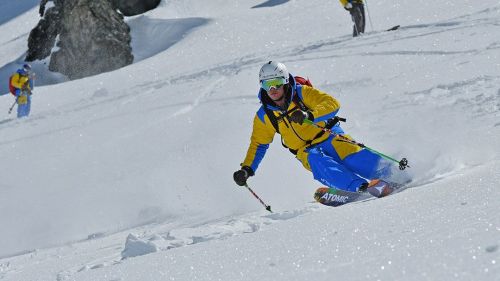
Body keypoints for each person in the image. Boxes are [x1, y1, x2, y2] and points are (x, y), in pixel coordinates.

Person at [233, 61, 397, 204]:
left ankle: (393, 174)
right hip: (305, 150)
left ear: (284, 81)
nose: (272, 89)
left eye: (276, 82)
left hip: (328, 135)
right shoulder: (265, 115)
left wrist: (309, 115)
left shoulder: (301, 93)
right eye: (267, 85)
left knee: (352, 156)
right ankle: (358, 187)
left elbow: (331, 103)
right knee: (318, 161)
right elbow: (259, 144)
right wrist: (247, 169)